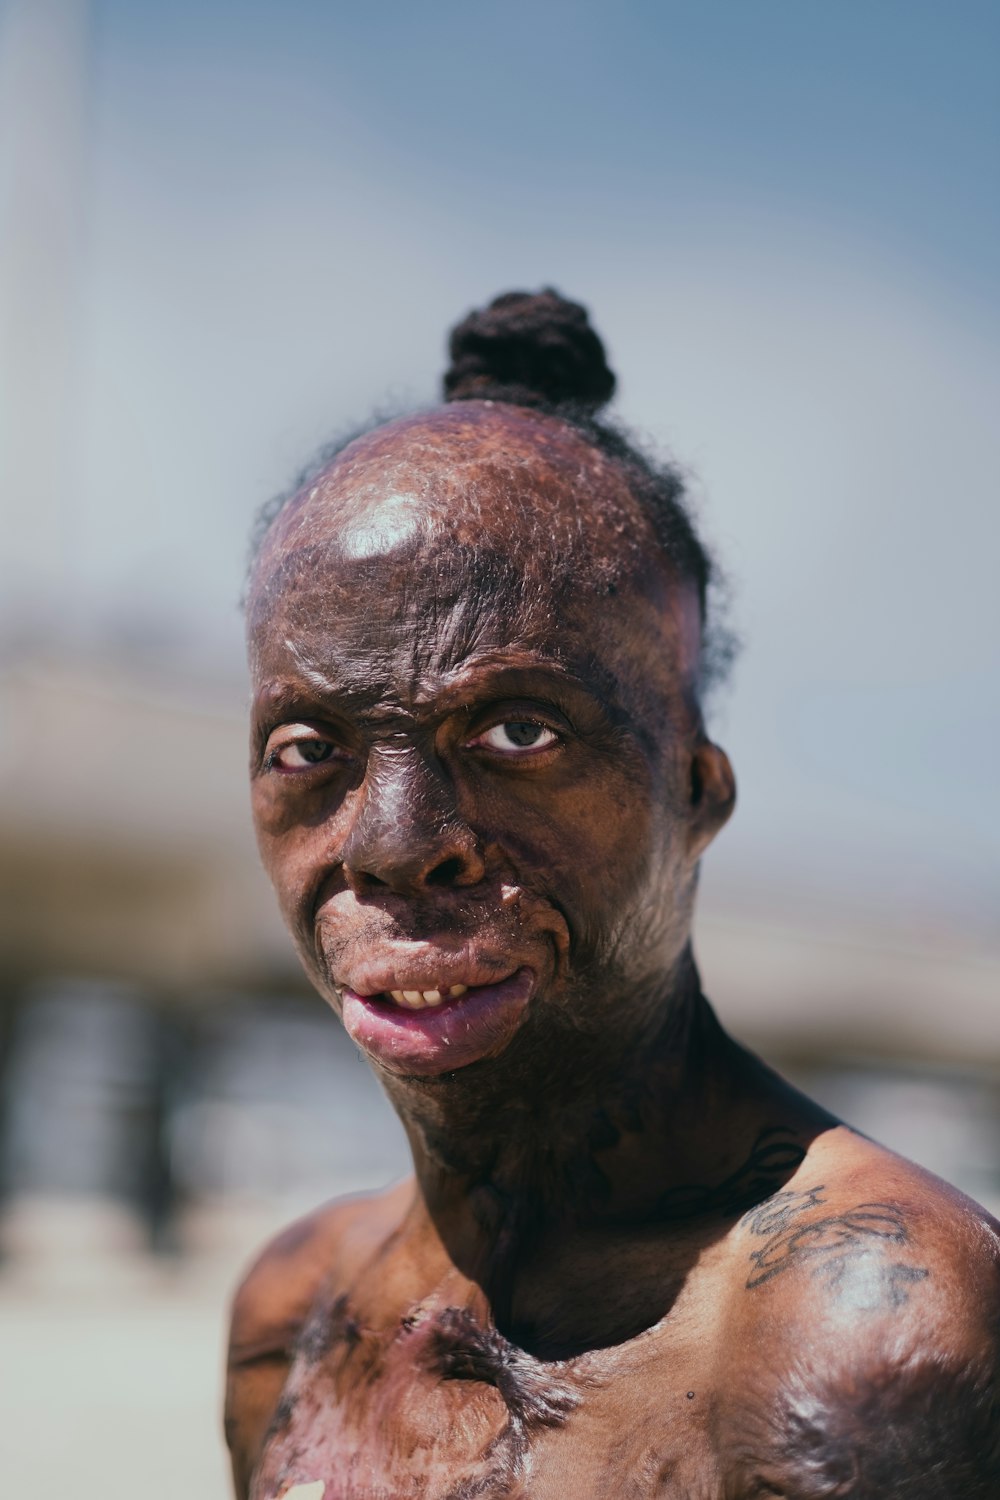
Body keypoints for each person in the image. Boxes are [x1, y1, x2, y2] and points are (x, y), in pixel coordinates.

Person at [225, 290, 1000, 1499]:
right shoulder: (292, 1308)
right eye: (306, 748)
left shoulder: (848, 1325)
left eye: (516, 730)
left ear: (696, 791)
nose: (389, 847)